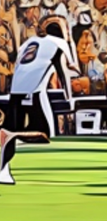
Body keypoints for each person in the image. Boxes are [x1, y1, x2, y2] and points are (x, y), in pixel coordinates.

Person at [1, 18, 77, 185]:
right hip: (31, 91)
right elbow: (66, 70)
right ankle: (11, 136)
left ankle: (3, 170)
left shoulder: (31, 42)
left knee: (13, 127)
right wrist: (68, 96)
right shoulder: (59, 43)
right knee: (44, 133)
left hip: (16, 91)